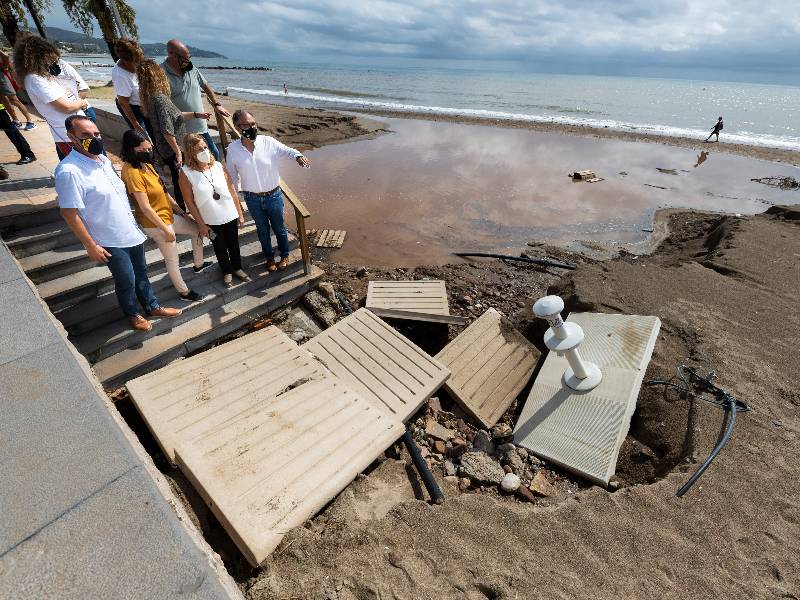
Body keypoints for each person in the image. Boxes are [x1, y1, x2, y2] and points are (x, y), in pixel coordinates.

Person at [55, 115, 182, 331]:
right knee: (126, 279)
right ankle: (133, 314)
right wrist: (90, 245)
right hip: (108, 238)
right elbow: (70, 214)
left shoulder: (103, 160)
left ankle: (152, 306)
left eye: (96, 134)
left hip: (129, 231)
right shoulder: (69, 171)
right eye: (86, 135)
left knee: (141, 272)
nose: (94, 138)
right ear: (71, 137)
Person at [120, 129, 208, 303]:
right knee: (172, 258)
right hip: (155, 224)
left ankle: (198, 264)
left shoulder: (147, 166)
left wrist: (182, 212)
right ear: (132, 150)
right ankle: (184, 292)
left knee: (197, 230)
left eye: (149, 148)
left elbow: (164, 192)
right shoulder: (131, 172)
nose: (148, 152)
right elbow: (145, 207)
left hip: (168, 216)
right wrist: (165, 230)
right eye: (143, 151)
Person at [226, 109, 310, 271]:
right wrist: (236, 205)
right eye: (247, 125)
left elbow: (287, 151)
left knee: (279, 228)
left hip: (274, 196)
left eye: (253, 124)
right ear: (237, 127)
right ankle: (269, 258)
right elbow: (232, 178)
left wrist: (298, 156)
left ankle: (284, 255)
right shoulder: (233, 150)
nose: (252, 128)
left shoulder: (268, 142)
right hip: (252, 199)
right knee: (263, 230)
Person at [137, 59, 211, 210]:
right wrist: (178, 152)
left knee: (179, 180)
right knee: (183, 181)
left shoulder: (150, 98)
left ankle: (185, 210)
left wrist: (197, 114)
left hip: (166, 148)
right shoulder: (160, 99)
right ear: (159, 77)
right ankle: (189, 210)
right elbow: (167, 129)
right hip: (173, 148)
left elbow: (176, 116)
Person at [179, 133, 248, 288]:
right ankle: (226, 271)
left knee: (233, 244)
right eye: (198, 150)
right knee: (220, 246)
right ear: (190, 153)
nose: (204, 151)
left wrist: (240, 213)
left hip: (229, 214)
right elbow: (189, 201)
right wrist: (201, 224)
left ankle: (237, 268)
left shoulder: (217, 165)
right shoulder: (186, 172)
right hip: (210, 219)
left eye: (205, 147)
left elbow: (231, 189)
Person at [13, 34, 89, 159]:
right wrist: (81, 102)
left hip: (76, 131)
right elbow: (66, 107)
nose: (53, 62)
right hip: (70, 136)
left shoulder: (42, 77)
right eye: (51, 59)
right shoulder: (35, 79)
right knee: (88, 168)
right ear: (40, 57)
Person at [161, 39, 230, 161]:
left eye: (189, 57)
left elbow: (205, 85)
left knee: (213, 154)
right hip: (181, 131)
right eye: (184, 58)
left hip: (200, 126)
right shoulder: (161, 74)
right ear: (171, 55)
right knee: (191, 161)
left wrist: (217, 104)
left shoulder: (189, 67)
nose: (188, 61)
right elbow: (164, 107)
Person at [112, 38, 154, 139]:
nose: (138, 64)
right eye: (135, 62)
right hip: (132, 108)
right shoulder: (120, 75)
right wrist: (135, 124)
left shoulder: (136, 62)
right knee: (142, 137)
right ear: (125, 61)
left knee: (155, 133)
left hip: (144, 104)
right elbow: (123, 102)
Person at [0, 50, 36, 130]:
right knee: (5, 102)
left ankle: (30, 121)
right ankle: (16, 121)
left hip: (2, 79)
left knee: (15, 100)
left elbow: (6, 58)